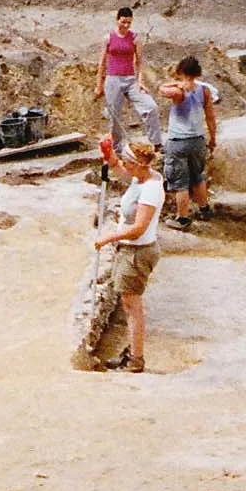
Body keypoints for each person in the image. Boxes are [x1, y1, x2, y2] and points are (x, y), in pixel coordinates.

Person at [93, 141, 162, 374]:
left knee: (132, 306)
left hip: (137, 252)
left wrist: (108, 238)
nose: (124, 165)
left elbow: (139, 228)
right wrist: (109, 154)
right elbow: (118, 170)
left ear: (139, 165)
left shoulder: (150, 189)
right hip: (130, 250)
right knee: (128, 303)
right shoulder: (140, 177)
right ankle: (134, 354)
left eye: (127, 162)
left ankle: (136, 360)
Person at [159, 56, 216, 230]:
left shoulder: (178, 92)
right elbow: (211, 117)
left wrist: (176, 84)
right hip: (198, 140)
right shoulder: (204, 91)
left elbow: (161, 90)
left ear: (181, 72)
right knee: (198, 176)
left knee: (180, 182)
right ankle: (204, 209)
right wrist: (213, 139)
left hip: (178, 141)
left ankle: (182, 218)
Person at [94, 7, 161, 150]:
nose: (126, 25)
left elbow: (140, 61)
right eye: (123, 22)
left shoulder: (135, 38)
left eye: (129, 23)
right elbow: (102, 63)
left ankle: (156, 143)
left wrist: (140, 80)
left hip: (130, 79)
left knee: (151, 107)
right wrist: (99, 85)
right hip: (113, 79)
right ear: (117, 20)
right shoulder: (108, 38)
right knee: (115, 116)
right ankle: (116, 148)